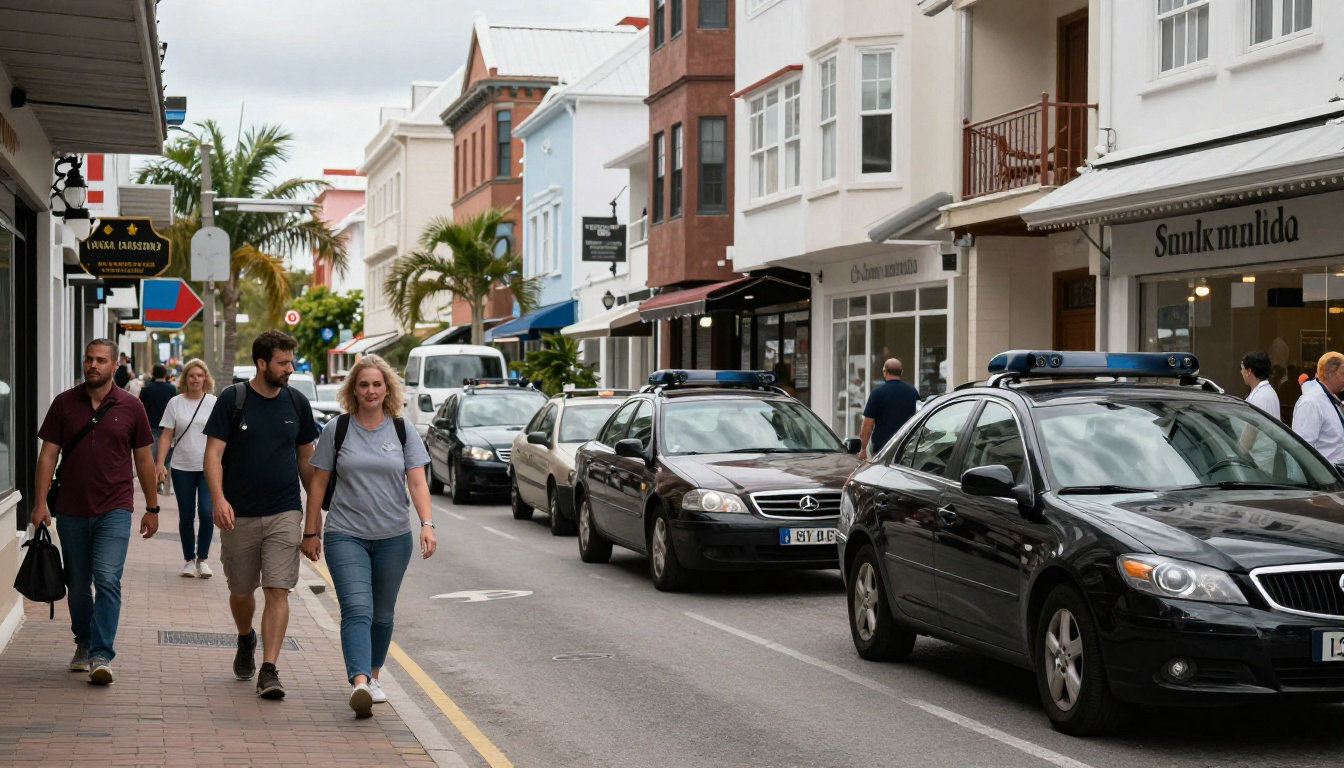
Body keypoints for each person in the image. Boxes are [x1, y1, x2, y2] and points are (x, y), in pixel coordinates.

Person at [302, 354, 436, 718]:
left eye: (377, 384)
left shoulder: (402, 429)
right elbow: (318, 482)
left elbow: (418, 480)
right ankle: (360, 681)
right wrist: (310, 531)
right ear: (353, 390)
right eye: (364, 384)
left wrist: (427, 523)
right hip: (346, 533)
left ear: (387, 388)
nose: (371, 390)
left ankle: (374, 676)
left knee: (382, 613)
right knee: (357, 608)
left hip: (393, 536)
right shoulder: (337, 429)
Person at [32, 339, 159, 685]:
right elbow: (48, 455)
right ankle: (83, 642)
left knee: (106, 579)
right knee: (76, 583)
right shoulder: (64, 404)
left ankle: (101, 653)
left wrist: (152, 507)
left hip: (115, 508)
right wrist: (40, 502)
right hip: (71, 509)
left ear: (114, 365)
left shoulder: (131, 407)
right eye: (89, 359)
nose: (93, 365)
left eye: (101, 360)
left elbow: (144, 460)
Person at [203, 330, 319, 700]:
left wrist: (313, 519)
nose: (290, 369)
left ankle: (269, 669)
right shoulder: (233, 400)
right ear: (262, 363)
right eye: (283, 363)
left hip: (285, 510)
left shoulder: (297, 403)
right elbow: (213, 455)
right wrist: (219, 499)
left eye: (291, 361)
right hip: (239, 514)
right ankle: (244, 637)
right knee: (241, 590)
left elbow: (307, 460)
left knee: (278, 589)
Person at [155, 358, 219, 579]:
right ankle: (189, 560)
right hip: (182, 466)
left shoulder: (214, 402)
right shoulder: (175, 403)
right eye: (192, 375)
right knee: (186, 515)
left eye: (200, 376)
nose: (196, 379)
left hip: (208, 467)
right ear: (186, 379)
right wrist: (160, 463)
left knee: (206, 512)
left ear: (206, 379)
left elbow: (223, 436)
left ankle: (203, 559)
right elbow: (166, 435)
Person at [857, 358, 921, 460]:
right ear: (901, 372)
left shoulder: (877, 393)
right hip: (906, 447)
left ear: (884, 371)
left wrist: (863, 449)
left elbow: (867, 425)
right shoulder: (913, 392)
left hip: (882, 449)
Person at [1291, 351, 1344, 464]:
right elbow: (1303, 450)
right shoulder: (1310, 402)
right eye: (1343, 374)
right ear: (1329, 373)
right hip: (1325, 477)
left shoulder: (1331, 398)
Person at [140, 364, 177, 493]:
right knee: (167, 458)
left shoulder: (147, 389)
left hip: (152, 426)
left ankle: (157, 483)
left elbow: (141, 407)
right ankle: (167, 484)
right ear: (165, 374)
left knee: (154, 458)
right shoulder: (172, 389)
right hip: (169, 427)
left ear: (154, 374)